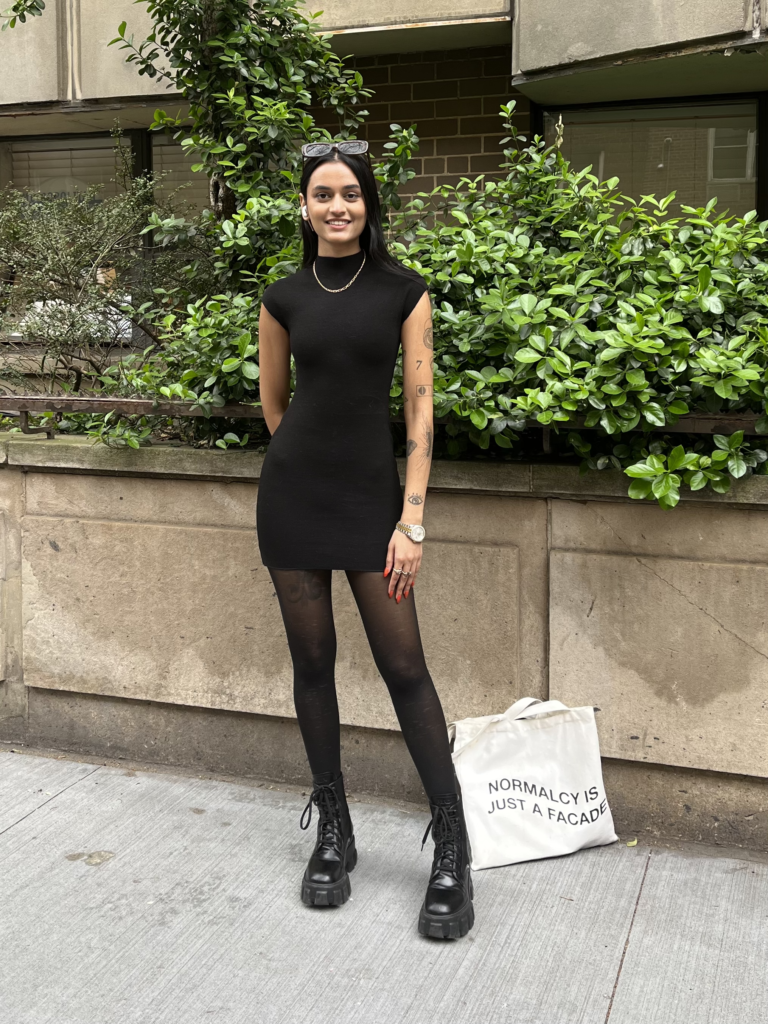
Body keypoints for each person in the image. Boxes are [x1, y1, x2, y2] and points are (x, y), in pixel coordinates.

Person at [256, 139, 474, 940]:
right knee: (311, 665)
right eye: (322, 194)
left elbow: (419, 414)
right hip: (293, 499)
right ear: (305, 207)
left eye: (350, 193)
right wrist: (300, 461)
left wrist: (410, 519)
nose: (337, 206)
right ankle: (336, 834)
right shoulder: (281, 296)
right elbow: (275, 404)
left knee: (404, 668)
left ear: (368, 203)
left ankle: (453, 846)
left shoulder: (403, 292)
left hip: (374, 505)